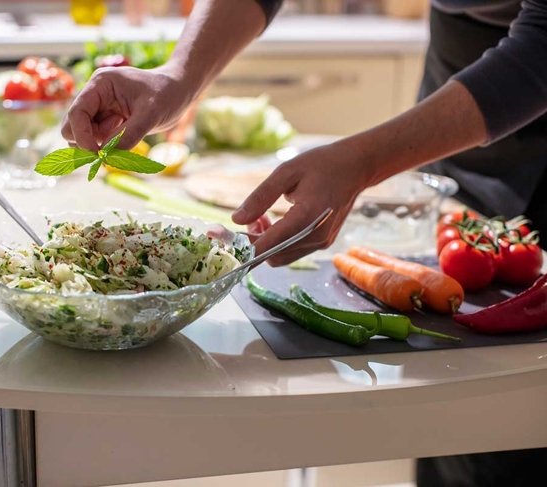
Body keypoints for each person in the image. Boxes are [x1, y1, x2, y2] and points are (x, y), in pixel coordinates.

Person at [62, 1, 547, 483]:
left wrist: (362, 161)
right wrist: (178, 76)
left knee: (513, 421)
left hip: (530, 76)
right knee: (449, 404)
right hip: (463, 65)